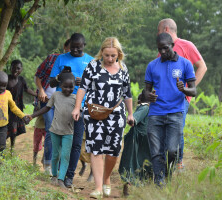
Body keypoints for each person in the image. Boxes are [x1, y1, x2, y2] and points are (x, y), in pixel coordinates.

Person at [72, 37, 134, 198]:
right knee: (96, 148)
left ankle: (107, 178)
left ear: (119, 54)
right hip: (95, 113)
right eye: (107, 55)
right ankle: (98, 188)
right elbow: (82, 87)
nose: (110, 59)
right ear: (102, 53)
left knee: (114, 151)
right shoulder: (93, 66)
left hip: (116, 114)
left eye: (113, 55)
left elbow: (127, 93)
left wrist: (131, 113)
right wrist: (77, 107)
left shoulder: (123, 68)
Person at [145, 33, 197, 187]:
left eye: (165, 48)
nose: (162, 52)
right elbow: (146, 91)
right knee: (156, 151)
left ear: (172, 46)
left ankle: (167, 173)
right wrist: (149, 96)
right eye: (159, 49)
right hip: (155, 114)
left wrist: (184, 89)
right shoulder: (152, 66)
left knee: (173, 151)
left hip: (175, 113)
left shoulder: (186, 64)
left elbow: (193, 91)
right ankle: (159, 181)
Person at [158, 18, 207, 168]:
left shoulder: (187, 45)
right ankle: (165, 163)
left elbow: (202, 67)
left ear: (166, 29)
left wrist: (188, 91)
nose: (157, 34)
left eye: (158, 31)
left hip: (180, 98)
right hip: (163, 99)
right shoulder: (162, 48)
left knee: (176, 128)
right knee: (164, 130)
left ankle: (178, 163)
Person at [49, 33, 93, 187]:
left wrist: (85, 82)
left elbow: (97, 84)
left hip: (81, 106)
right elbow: (52, 82)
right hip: (62, 105)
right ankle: (58, 173)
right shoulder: (61, 58)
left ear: (84, 46)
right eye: (73, 47)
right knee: (61, 141)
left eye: (78, 48)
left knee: (76, 143)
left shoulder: (90, 61)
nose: (75, 50)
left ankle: (69, 176)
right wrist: (61, 76)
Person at [27, 72, 76, 189]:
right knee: (55, 155)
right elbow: (46, 108)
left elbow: (81, 112)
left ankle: (60, 179)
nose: (68, 89)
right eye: (65, 86)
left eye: (71, 87)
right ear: (60, 85)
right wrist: (32, 116)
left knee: (65, 156)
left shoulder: (76, 98)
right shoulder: (56, 95)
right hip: (55, 131)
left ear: (74, 86)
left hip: (68, 132)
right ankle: (54, 176)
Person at [34, 39, 71, 174]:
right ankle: (48, 165)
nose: (70, 53)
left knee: (61, 132)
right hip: (47, 100)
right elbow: (38, 76)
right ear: (64, 48)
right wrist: (41, 90)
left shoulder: (75, 63)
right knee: (50, 128)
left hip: (64, 102)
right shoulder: (52, 59)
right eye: (68, 50)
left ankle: (56, 163)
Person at [118, 90, 151, 196]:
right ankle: (128, 188)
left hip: (139, 141)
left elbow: (136, 118)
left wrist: (132, 120)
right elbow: (135, 118)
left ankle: (129, 187)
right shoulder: (146, 108)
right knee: (135, 163)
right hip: (139, 141)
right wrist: (133, 120)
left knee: (132, 163)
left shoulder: (145, 107)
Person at [7, 59, 37, 153]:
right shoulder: (6, 79)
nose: (16, 70)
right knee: (5, 127)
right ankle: (1, 146)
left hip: (17, 108)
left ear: (21, 69)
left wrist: (37, 95)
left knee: (14, 130)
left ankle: (12, 148)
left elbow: (27, 89)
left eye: (18, 68)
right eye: (14, 68)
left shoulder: (21, 80)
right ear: (10, 68)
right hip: (6, 108)